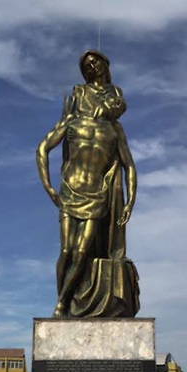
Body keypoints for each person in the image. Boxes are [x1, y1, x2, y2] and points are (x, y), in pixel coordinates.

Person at [36, 50, 139, 318]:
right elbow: (43, 148)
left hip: (98, 195)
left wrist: (130, 201)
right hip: (70, 190)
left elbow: (129, 166)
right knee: (67, 251)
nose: (93, 67)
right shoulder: (71, 121)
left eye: (97, 63)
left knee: (81, 252)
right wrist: (48, 186)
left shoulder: (115, 131)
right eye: (88, 65)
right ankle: (66, 301)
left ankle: (61, 304)